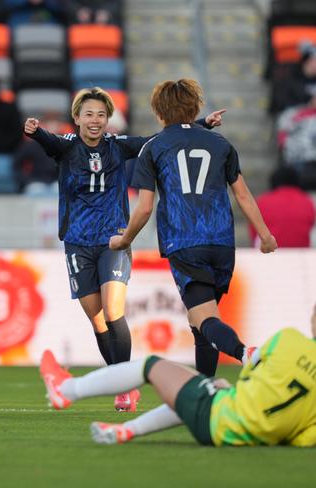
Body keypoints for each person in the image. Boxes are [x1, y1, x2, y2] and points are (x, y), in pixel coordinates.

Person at [24, 87, 226, 411]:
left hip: (115, 239)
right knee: (98, 319)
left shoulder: (118, 146)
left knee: (114, 310)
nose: (95, 120)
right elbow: (47, 140)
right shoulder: (66, 147)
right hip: (77, 243)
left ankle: (125, 388)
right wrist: (35, 132)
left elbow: (159, 139)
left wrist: (201, 124)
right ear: (76, 118)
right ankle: (119, 379)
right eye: (89, 114)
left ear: (108, 120)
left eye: (101, 115)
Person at [110, 79, 277, 379]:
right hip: (222, 244)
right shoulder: (221, 143)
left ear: (159, 113)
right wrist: (264, 234)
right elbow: (242, 195)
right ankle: (206, 388)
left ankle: (245, 353)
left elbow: (145, 207)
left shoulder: (154, 148)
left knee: (205, 319)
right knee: (201, 322)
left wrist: (124, 240)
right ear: (195, 107)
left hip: (185, 242)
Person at [39, 304, 316, 447]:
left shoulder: (289, 339)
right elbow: (305, 438)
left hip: (220, 421)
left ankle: (68, 389)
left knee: (151, 365)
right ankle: (126, 430)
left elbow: (252, 378)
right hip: (257, 438)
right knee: (211, 386)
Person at [249, 166, 315, 247]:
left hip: (270, 252)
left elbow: (254, 233)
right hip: (300, 252)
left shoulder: (263, 201)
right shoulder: (307, 201)